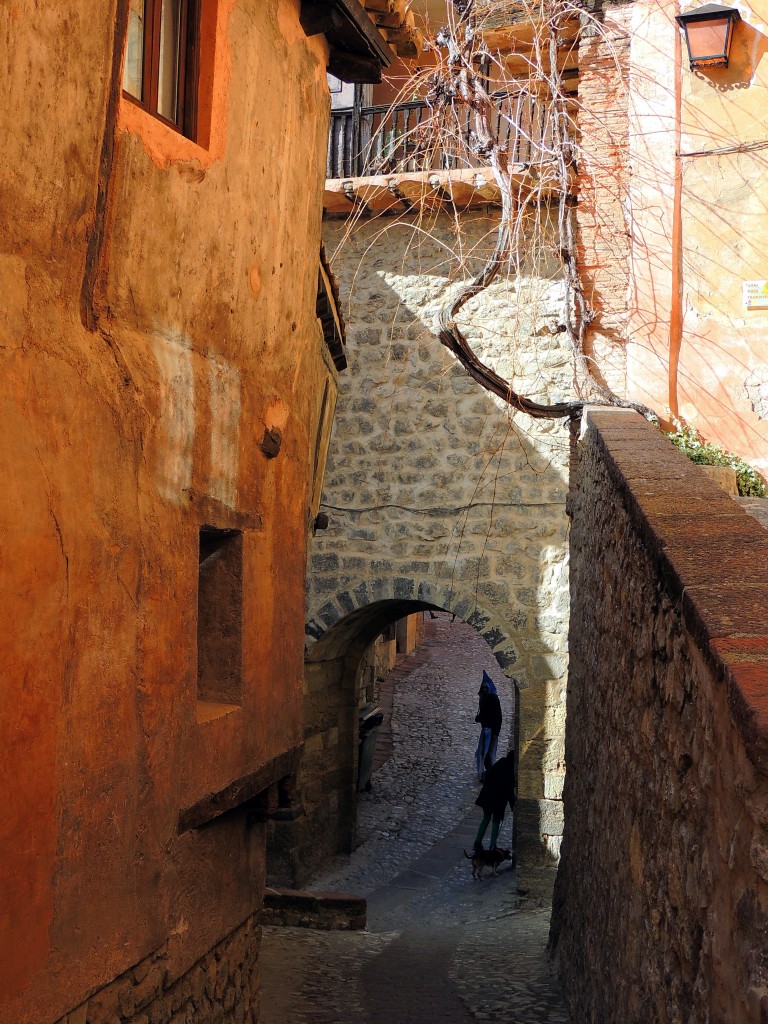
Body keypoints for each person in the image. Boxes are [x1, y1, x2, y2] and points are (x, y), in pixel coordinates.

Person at [473, 750, 516, 851]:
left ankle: (477, 842)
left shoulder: (500, 762)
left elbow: (488, 774)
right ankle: (492, 845)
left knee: (486, 818)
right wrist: (513, 804)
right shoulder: (510, 769)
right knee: (496, 821)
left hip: (487, 795)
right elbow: (509, 789)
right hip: (499, 800)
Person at [474, 671, 502, 780]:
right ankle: (482, 773)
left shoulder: (494, 699)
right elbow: (483, 715)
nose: (484, 689)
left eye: (486, 687)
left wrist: (496, 733)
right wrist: (479, 718)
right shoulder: (483, 699)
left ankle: (490, 773)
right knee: (481, 752)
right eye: (483, 687)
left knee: (489, 753)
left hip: (491, 731)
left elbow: (498, 717)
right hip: (485, 730)